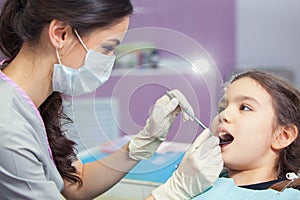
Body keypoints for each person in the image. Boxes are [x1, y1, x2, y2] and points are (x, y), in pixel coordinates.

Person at [0, 0, 223, 199]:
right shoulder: (8, 130)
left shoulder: (34, 101)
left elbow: (76, 185)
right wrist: (173, 193)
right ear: (61, 34)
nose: (109, 61)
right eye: (107, 48)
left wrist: (143, 142)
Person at [189, 70, 300, 199]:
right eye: (222, 108)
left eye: (245, 107)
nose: (224, 115)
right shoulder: (193, 183)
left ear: (282, 136)